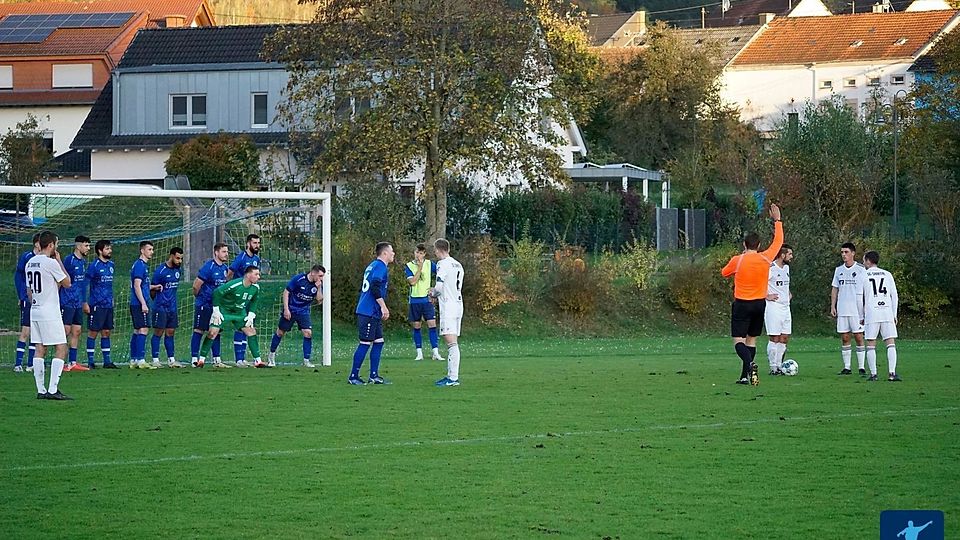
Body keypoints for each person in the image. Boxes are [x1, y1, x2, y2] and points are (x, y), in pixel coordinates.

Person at [720, 203, 783, 385]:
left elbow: (724, 272)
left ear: (744, 244)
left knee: (738, 341)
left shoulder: (737, 260)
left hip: (742, 303)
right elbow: (778, 243)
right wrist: (777, 221)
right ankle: (744, 376)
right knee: (752, 340)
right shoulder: (765, 257)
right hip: (759, 304)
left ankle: (750, 364)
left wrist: (738, 263)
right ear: (759, 245)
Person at [26, 230, 73, 400]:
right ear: (51, 245)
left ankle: (41, 390)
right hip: (49, 311)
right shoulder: (50, 262)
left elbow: (29, 290)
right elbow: (67, 282)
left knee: (40, 348)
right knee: (61, 347)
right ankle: (53, 389)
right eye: (56, 244)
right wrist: (59, 261)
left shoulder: (30, 262)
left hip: (35, 310)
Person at [197, 266, 264, 368]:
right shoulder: (235, 284)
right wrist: (216, 310)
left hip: (239, 312)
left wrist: (251, 314)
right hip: (224, 310)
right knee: (212, 332)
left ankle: (258, 361)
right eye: (256, 274)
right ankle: (201, 360)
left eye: (259, 274)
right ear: (248, 275)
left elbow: (254, 300)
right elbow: (217, 292)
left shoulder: (255, 288)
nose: (258, 277)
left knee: (251, 331)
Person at [349, 241, 394, 385]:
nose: (393, 254)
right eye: (391, 251)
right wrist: (383, 306)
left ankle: (374, 376)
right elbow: (374, 287)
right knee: (365, 343)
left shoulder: (372, 265)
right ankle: (353, 376)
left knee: (379, 342)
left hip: (371, 311)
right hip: (368, 310)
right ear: (385, 253)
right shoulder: (380, 266)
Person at [268, 265, 325, 368]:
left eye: (322, 276)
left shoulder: (319, 284)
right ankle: (271, 356)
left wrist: (319, 287)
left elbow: (320, 300)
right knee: (280, 332)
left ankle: (306, 360)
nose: (321, 278)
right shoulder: (299, 279)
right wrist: (286, 309)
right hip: (291, 309)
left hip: (304, 311)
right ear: (313, 273)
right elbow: (286, 292)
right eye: (320, 275)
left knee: (308, 333)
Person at [860, 251, 901, 382]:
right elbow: (894, 295)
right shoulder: (887, 274)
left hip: (872, 312)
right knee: (890, 342)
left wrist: (861, 314)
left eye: (864, 260)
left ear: (867, 261)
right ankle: (892, 373)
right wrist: (894, 314)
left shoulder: (863, 275)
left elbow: (859, 297)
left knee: (871, 343)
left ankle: (873, 374)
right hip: (887, 311)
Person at [430, 238, 465, 387]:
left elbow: (438, 287)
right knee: (452, 341)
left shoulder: (442, 264)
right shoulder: (458, 264)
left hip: (449, 307)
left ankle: (453, 378)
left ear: (438, 250)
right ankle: (451, 376)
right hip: (458, 305)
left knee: (451, 343)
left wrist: (432, 293)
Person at [831, 242, 867, 375]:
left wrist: (865, 308)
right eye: (842, 252)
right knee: (845, 337)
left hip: (856, 311)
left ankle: (862, 367)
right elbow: (835, 289)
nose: (844, 255)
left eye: (846, 252)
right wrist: (833, 306)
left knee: (858, 337)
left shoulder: (861, 269)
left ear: (853, 253)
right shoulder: (838, 270)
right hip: (843, 309)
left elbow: (866, 289)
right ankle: (847, 367)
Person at [191, 243, 229, 367]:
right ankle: (194, 359)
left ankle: (216, 359)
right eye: (223, 251)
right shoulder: (209, 267)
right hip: (204, 304)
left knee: (216, 330)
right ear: (216, 253)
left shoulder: (224, 269)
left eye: (227, 252)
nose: (226, 254)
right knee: (199, 330)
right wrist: (201, 298)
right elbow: (196, 285)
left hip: (216, 307)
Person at [226, 234, 261, 367]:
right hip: (239, 297)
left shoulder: (256, 259)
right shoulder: (241, 258)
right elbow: (230, 272)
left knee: (248, 325)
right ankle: (239, 359)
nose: (257, 245)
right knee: (241, 326)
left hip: (249, 297)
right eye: (254, 243)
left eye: (258, 243)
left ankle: (243, 357)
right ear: (248, 244)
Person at [405, 243, 442, 361]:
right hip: (415, 300)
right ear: (414, 252)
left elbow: (441, 275)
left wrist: (435, 290)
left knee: (432, 324)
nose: (418, 255)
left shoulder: (430, 264)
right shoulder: (409, 266)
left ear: (424, 254)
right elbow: (413, 282)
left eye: (421, 253)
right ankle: (419, 352)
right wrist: (419, 268)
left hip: (426, 300)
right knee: (417, 326)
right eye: (417, 252)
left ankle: (435, 352)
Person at [85, 239, 119, 368]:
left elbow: (109, 285)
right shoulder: (94, 266)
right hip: (96, 304)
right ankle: (91, 361)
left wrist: (112, 299)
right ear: (100, 251)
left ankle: (107, 361)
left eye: (110, 248)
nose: (110, 251)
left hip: (108, 304)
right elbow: (86, 284)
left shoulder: (111, 265)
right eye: (107, 249)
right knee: (93, 332)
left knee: (106, 332)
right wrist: (86, 302)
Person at [129, 241, 161, 369]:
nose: (152, 252)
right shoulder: (140, 266)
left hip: (138, 302)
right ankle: (141, 360)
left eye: (152, 249)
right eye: (149, 249)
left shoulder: (141, 265)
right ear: (142, 251)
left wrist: (154, 287)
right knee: (143, 329)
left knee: (138, 330)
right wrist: (143, 303)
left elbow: (142, 285)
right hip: (138, 302)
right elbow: (136, 285)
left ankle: (134, 360)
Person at [150, 247, 184, 368]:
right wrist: (159, 301)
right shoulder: (160, 270)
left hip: (172, 307)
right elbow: (152, 288)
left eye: (181, 258)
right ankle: (155, 359)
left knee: (170, 332)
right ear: (171, 256)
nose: (179, 261)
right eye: (177, 258)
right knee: (158, 332)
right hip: (160, 307)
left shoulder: (178, 270)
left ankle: (171, 360)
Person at [61, 235, 91, 372]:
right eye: (86, 245)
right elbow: (61, 279)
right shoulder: (69, 260)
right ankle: (60, 361)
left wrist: (84, 301)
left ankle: (72, 362)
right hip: (67, 300)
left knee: (77, 331)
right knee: (65, 331)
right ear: (78, 246)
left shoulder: (83, 262)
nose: (88, 248)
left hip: (78, 301)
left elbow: (83, 284)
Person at [13, 233, 40, 372]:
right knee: (26, 331)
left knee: (36, 332)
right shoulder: (27, 257)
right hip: (27, 298)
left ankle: (31, 364)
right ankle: (18, 364)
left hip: (39, 300)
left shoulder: (45, 259)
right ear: (36, 243)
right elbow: (18, 276)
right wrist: (21, 295)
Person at [764, 244, 793, 375]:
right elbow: (760, 282)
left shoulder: (786, 268)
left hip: (786, 307)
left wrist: (789, 293)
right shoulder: (771, 268)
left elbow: (784, 285)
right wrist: (766, 295)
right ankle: (773, 367)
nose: (791, 257)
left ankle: (780, 366)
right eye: (790, 254)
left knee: (784, 337)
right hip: (773, 307)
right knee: (774, 337)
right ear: (782, 255)